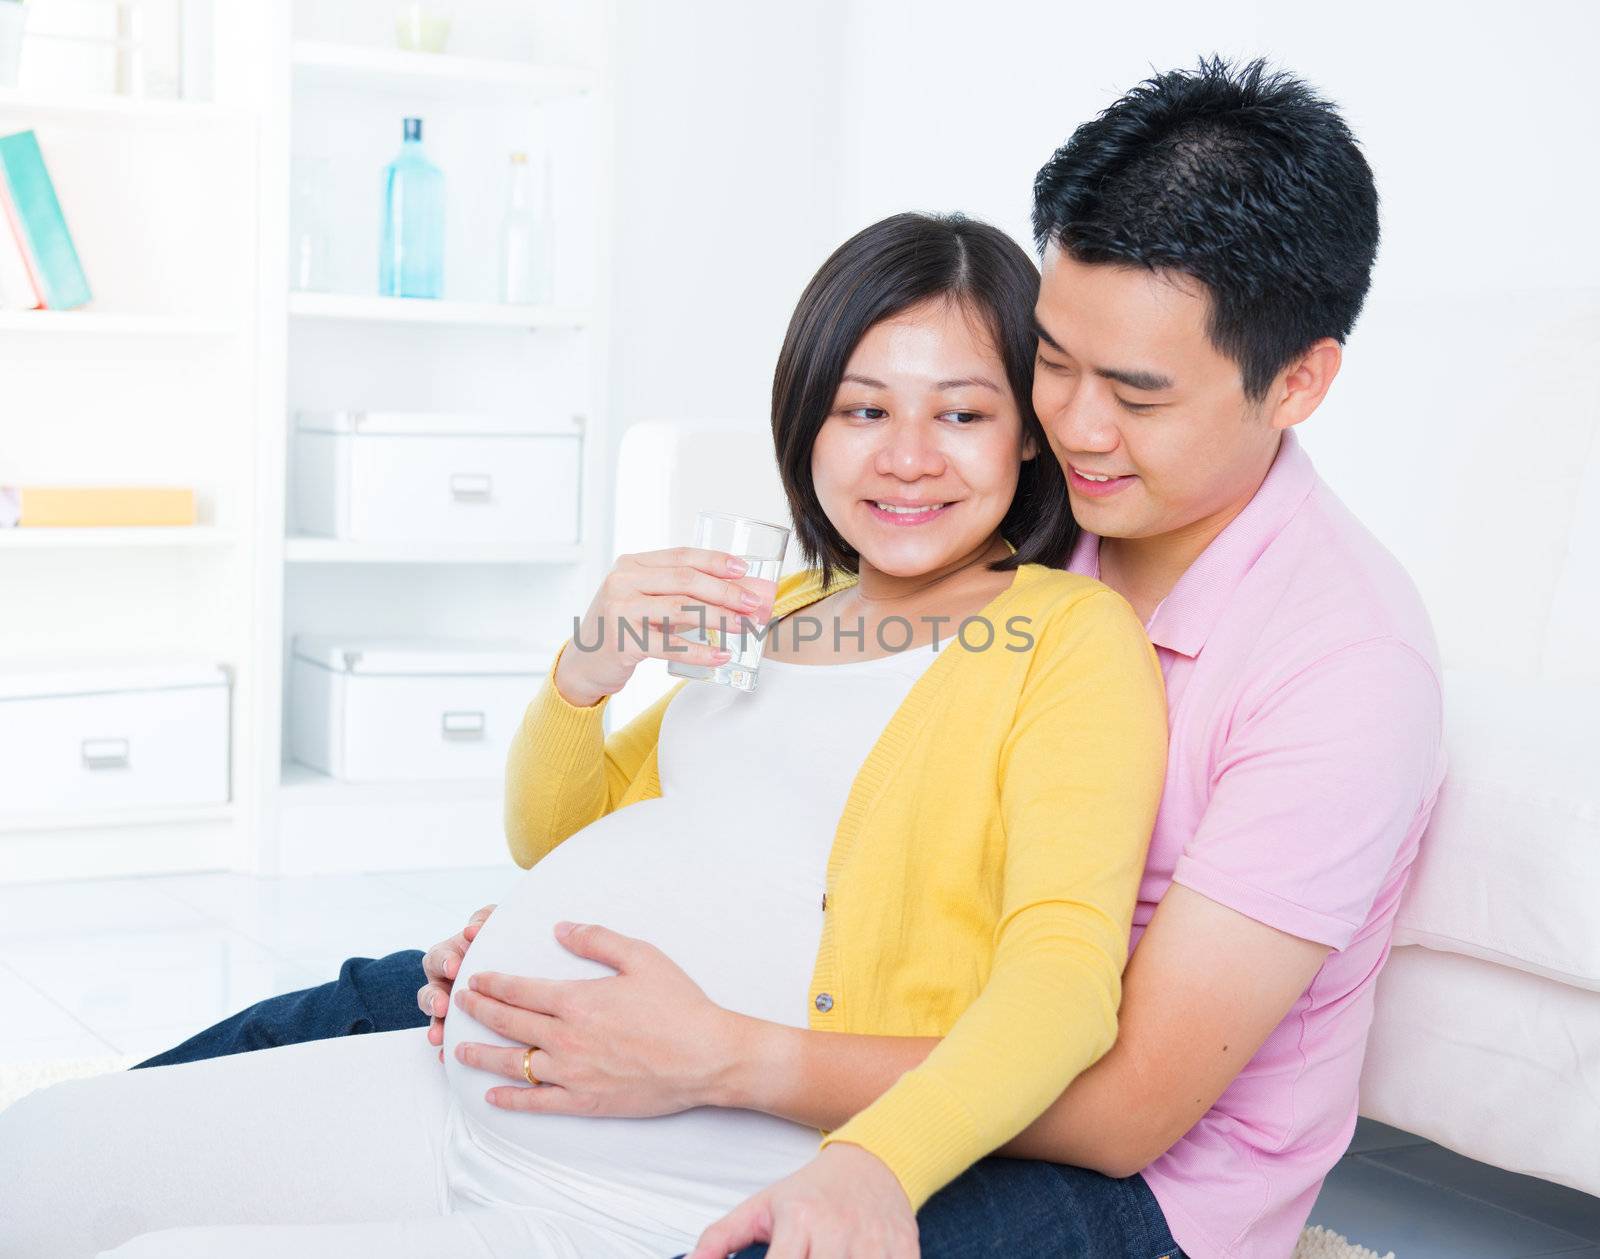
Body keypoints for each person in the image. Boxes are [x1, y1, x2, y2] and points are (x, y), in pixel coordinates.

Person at [97, 55, 1443, 1259]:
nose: (1077, 425)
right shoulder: (1005, 540)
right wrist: (541, 941)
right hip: (796, 1025)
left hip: (1119, 1180)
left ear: (1300, 380)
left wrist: (720, 1055)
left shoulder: (1338, 670)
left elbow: (1123, 1100)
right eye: (1054, 364)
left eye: (1136, 392)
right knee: (310, 1028)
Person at [0, 212, 1172, 1258]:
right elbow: (554, 834)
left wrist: (874, 1156)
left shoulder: (1064, 638)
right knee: (34, 1156)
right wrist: (587, 669)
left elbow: (1062, 984)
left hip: (650, 1189)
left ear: (1027, 436)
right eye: (862, 408)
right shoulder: (787, 606)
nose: (907, 455)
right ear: (806, 423)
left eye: (961, 413)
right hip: (468, 1096)